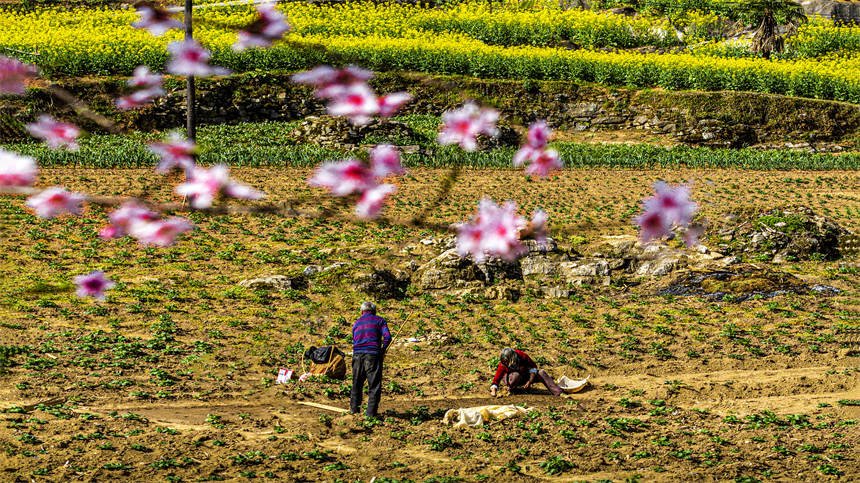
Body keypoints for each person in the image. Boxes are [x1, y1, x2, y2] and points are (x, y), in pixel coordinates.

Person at [350, 301, 391, 418]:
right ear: (374, 311)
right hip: (372, 355)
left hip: (357, 355)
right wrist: (382, 351)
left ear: (362, 312)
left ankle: (354, 412)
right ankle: (371, 415)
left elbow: (355, 339)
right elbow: (387, 337)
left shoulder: (356, 323)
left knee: (356, 384)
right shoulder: (380, 321)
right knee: (374, 385)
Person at [490, 347, 564, 397]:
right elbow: (496, 379)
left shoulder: (521, 355)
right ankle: (512, 389)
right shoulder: (503, 364)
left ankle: (558, 392)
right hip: (511, 378)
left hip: (525, 376)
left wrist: (530, 381)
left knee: (541, 372)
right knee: (516, 375)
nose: (506, 362)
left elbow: (533, 367)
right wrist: (493, 391)